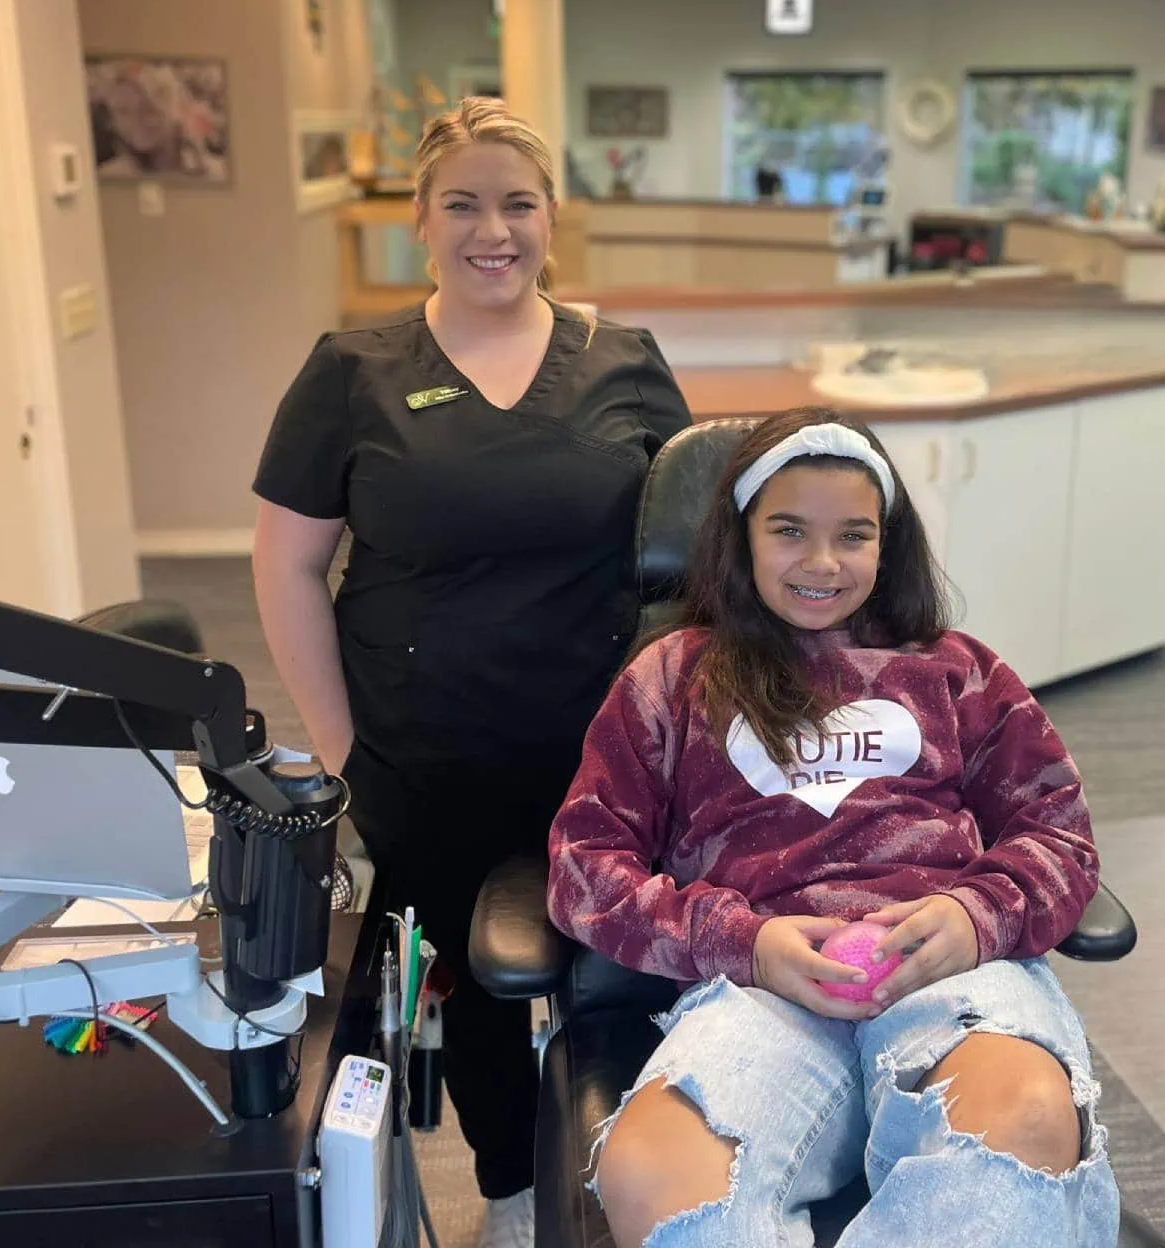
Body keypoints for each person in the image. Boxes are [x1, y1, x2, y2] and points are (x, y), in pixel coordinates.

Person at [251, 96, 691, 1248]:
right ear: (421, 220)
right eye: (463, 205)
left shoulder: (626, 364)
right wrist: (344, 754)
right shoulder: (352, 372)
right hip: (422, 753)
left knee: (624, 971)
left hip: (603, 755)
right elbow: (286, 568)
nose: (493, 230)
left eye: (518, 204)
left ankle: (639, 1174)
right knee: (475, 988)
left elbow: (687, 565)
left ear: (551, 218)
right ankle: (509, 1190)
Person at [547, 407, 1118, 1247]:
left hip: (949, 972)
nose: (822, 563)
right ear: (741, 537)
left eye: (853, 535)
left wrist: (976, 916)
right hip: (760, 992)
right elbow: (583, 867)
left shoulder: (955, 670)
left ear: (888, 544)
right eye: (789, 531)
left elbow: (1060, 835)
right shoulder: (673, 676)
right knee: (651, 1176)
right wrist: (743, 943)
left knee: (1022, 1126)